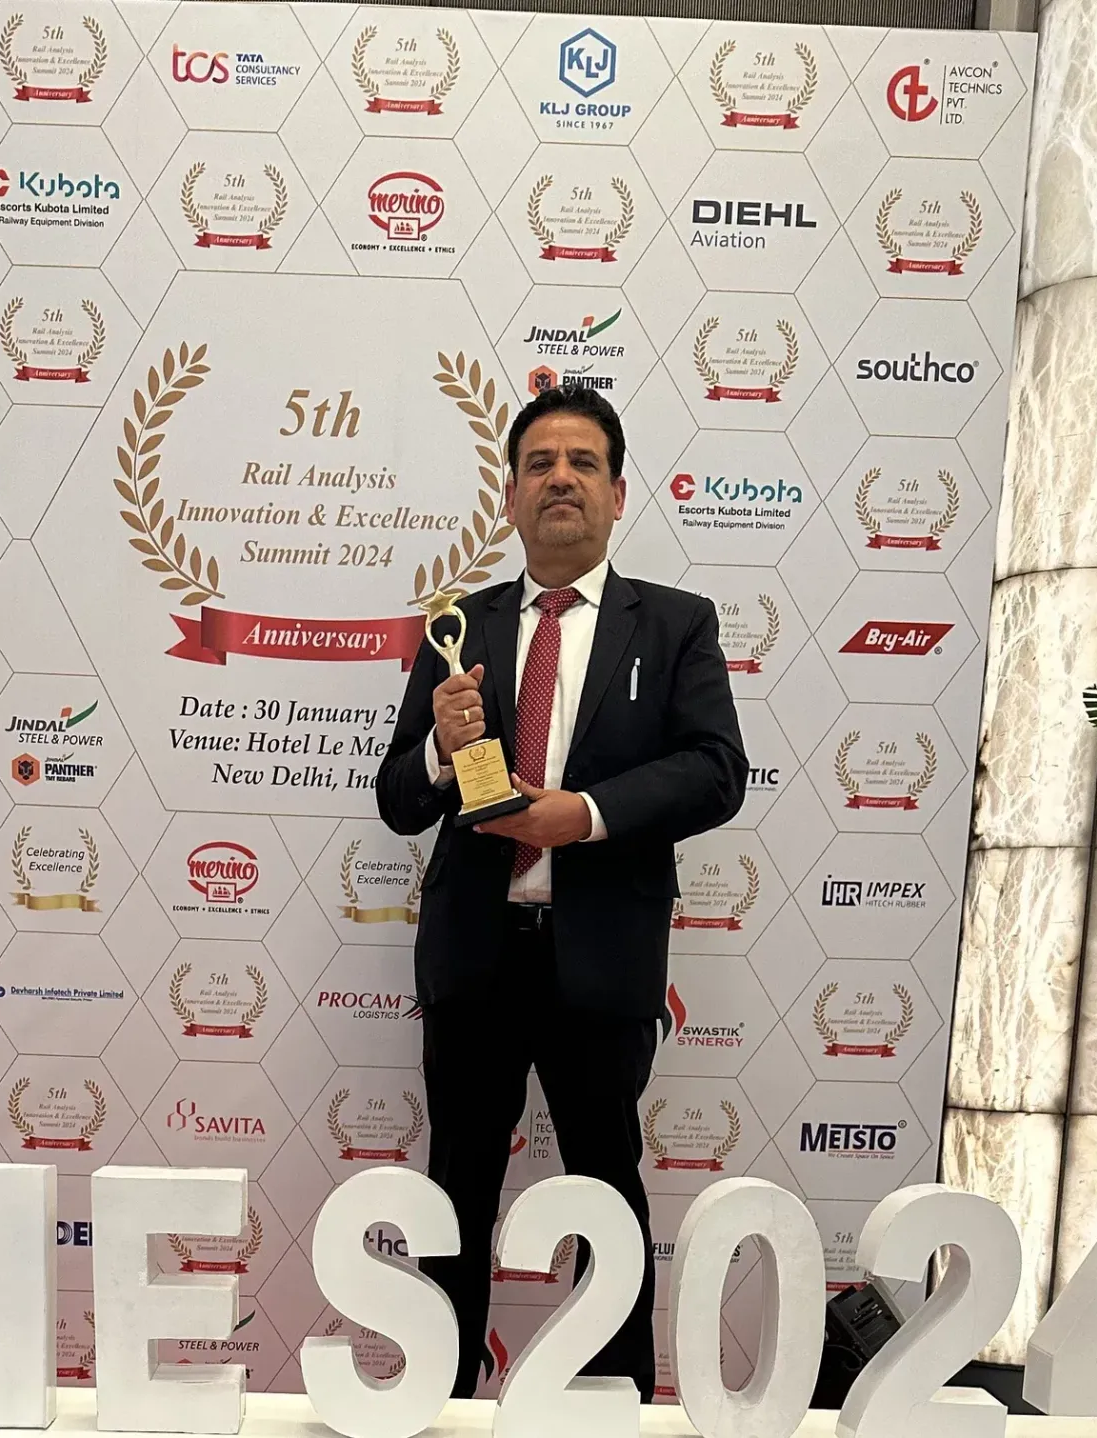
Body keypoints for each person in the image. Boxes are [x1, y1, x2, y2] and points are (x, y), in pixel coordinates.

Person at [376, 384, 748, 1399]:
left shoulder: (675, 625)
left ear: (618, 494)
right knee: (457, 1190)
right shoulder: (456, 627)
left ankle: (614, 1406)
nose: (561, 479)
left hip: (602, 961)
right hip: (475, 956)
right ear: (510, 497)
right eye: (539, 463)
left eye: (584, 462)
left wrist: (580, 814)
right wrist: (442, 750)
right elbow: (398, 800)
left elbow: (717, 770)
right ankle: (438, 1404)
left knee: (606, 1195)